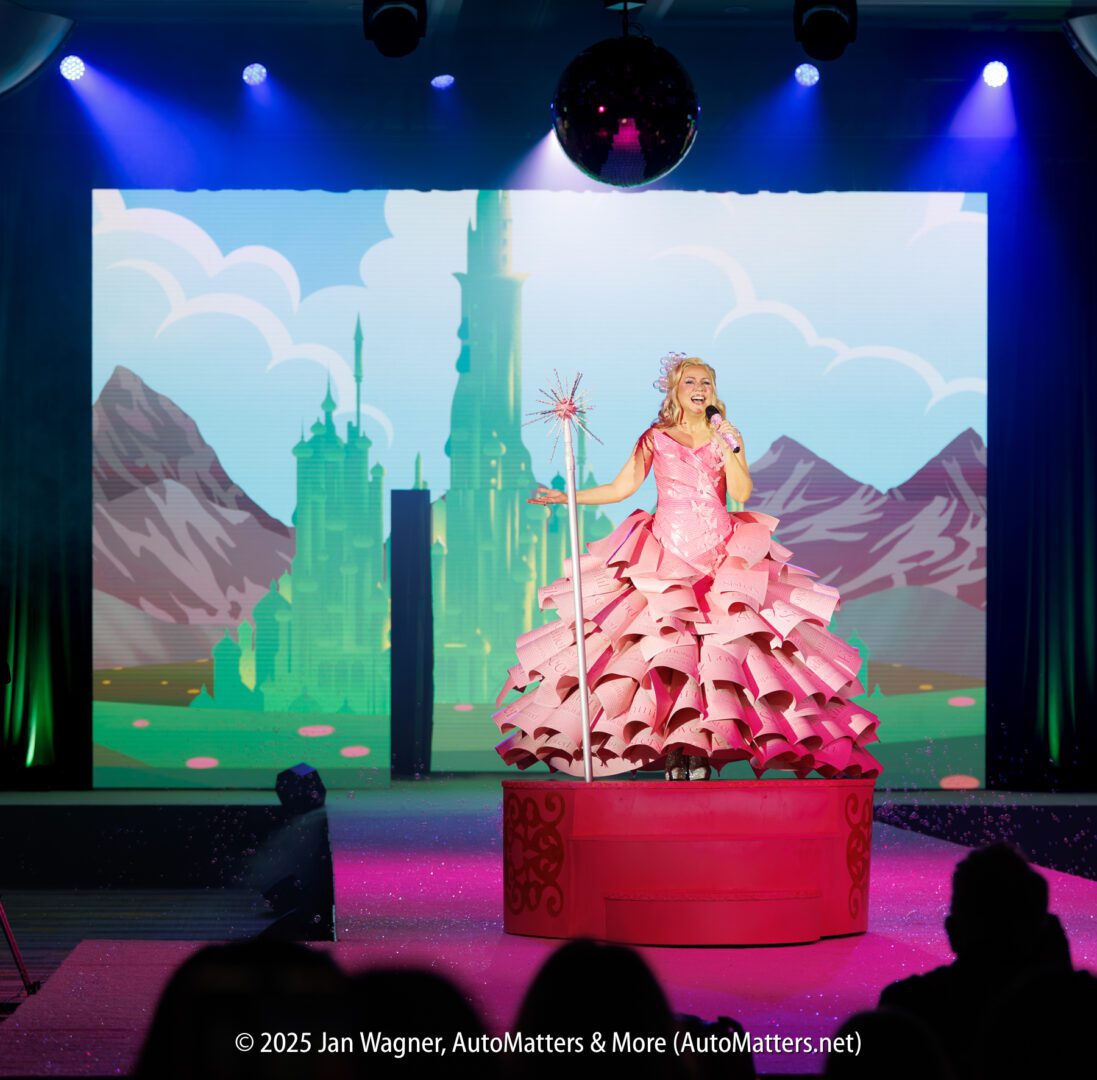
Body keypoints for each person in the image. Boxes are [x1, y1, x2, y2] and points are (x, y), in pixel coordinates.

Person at [493, 352, 881, 782]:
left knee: (717, 657)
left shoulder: (726, 436)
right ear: (676, 390)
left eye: (707, 383)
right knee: (666, 654)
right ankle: (675, 748)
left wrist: (733, 447)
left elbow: (742, 491)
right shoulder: (655, 437)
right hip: (666, 555)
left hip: (720, 555)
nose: (700, 389)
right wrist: (566, 498)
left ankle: (705, 746)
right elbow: (622, 487)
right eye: (691, 382)